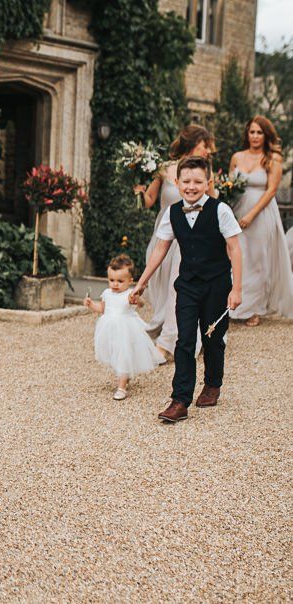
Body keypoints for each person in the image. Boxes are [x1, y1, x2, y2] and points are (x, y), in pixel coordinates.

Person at [131, 155, 243, 423]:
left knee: (213, 338)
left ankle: (213, 383)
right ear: (176, 181)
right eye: (186, 181)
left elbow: (235, 248)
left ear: (208, 182)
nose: (191, 187)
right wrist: (141, 282)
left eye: (197, 181)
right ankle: (180, 400)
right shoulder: (172, 213)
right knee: (184, 340)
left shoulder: (221, 210)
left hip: (217, 285)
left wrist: (237, 288)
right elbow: (160, 249)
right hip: (188, 286)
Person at [134, 124, 214, 358]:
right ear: (192, 143)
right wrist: (138, 191)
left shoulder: (205, 172)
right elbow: (149, 200)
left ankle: (169, 341)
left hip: (190, 234)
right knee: (160, 283)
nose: (208, 150)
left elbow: (214, 204)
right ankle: (169, 325)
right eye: (204, 144)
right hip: (163, 233)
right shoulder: (164, 169)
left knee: (177, 285)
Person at [229, 115, 293, 324]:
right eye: (252, 132)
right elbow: (228, 186)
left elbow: (272, 190)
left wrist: (251, 215)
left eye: (259, 132)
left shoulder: (272, 159)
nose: (255, 136)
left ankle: (255, 308)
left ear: (266, 135)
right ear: (247, 134)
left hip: (261, 212)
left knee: (257, 259)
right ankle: (235, 303)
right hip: (237, 211)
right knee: (237, 256)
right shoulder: (237, 157)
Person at [84, 254, 165, 400]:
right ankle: (124, 375)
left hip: (125, 330)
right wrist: (91, 305)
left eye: (120, 281)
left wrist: (136, 298)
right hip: (109, 329)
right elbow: (102, 308)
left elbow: (141, 304)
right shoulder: (107, 293)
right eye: (112, 280)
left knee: (123, 354)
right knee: (115, 354)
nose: (115, 284)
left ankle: (121, 387)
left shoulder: (129, 294)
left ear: (130, 281)